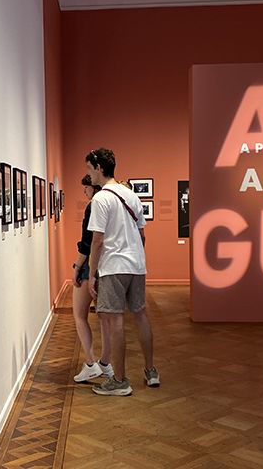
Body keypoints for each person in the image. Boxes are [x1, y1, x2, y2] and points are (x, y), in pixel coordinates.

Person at [85, 148, 159, 396]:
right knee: (140, 315)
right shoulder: (131, 195)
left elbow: (97, 240)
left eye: (89, 168)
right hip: (136, 265)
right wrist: (136, 257)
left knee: (115, 321)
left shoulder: (101, 199)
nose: (88, 174)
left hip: (113, 266)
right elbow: (142, 234)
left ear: (98, 167)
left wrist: (92, 273)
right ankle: (151, 372)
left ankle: (119, 380)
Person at [72, 175, 113, 383]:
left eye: (85, 188)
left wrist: (77, 267)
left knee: (79, 314)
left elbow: (88, 243)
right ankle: (105, 364)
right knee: (104, 318)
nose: (84, 192)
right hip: (108, 266)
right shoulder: (111, 203)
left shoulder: (93, 207)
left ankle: (90, 364)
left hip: (90, 266)